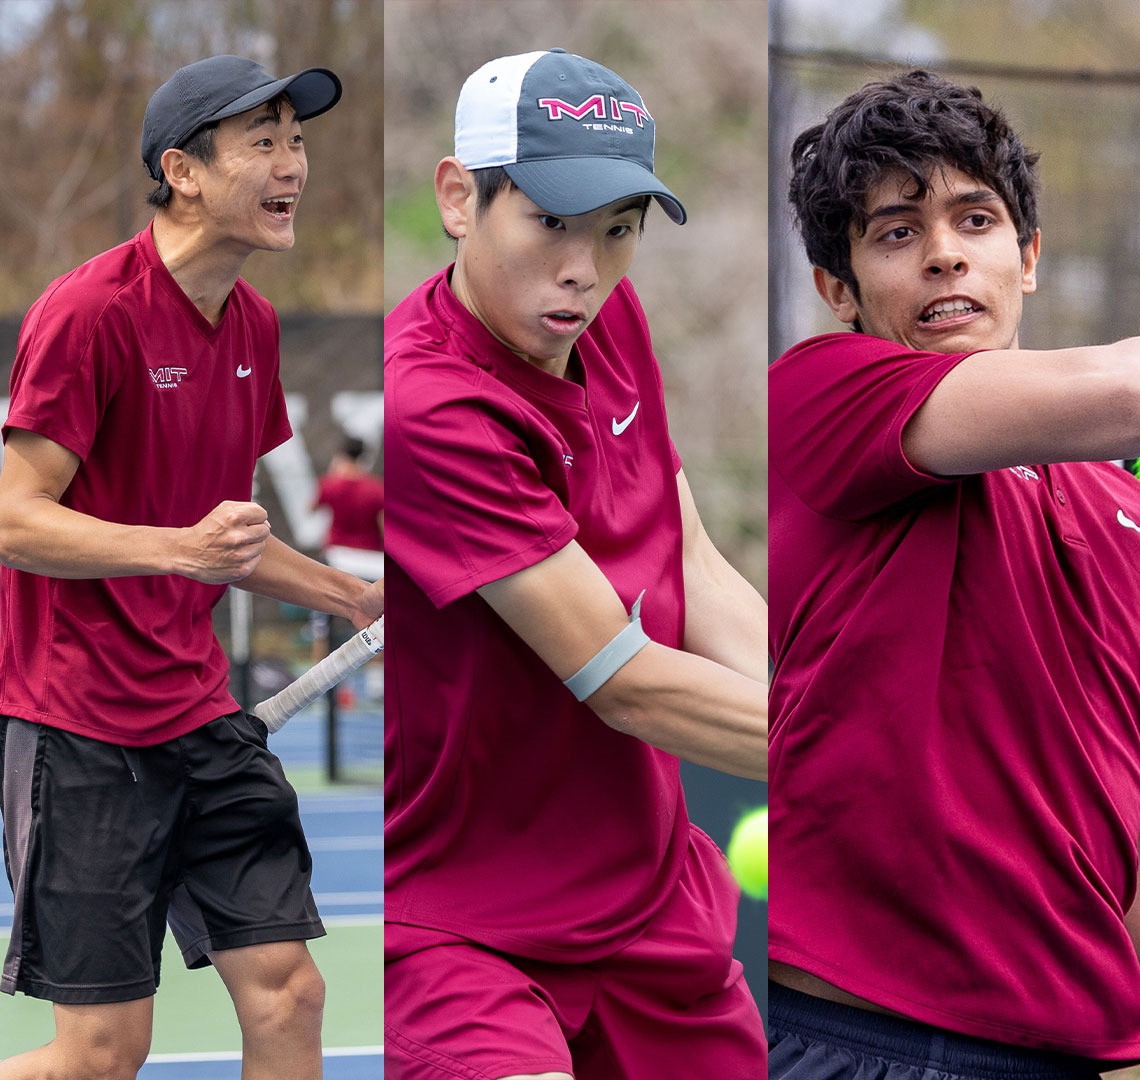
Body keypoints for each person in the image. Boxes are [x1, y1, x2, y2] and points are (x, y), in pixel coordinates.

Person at [382, 49, 767, 1079]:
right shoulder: (427, 406)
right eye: (550, 221)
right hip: (466, 931)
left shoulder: (607, 318)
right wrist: (857, 749)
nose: (585, 270)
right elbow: (623, 679)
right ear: (459, 198)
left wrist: (832, 697)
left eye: (618, 230)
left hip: (651, 912)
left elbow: (696, 562)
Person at [767, 70, 1140, 1079]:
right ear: (838, 291)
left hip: (1079, 1046)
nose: (944, 251)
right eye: (897, 232)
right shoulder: (821, 393)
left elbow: (1130, 785)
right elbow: (1120, 383)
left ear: (1025, 258)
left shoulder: (1123, 507)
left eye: (974, 219)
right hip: (861, 1041)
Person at [0, 54, 378, 1079]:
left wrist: (353, 594)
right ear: (185, 169)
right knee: (100, 1057)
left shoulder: (251, 325)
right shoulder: (87, 315)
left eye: (297, 139)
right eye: (264, 141)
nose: (294, 160)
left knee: (292, 995)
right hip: (81, 732)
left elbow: (231, 541)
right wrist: (179, 551)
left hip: (203, 723)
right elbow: (14, 519)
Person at [312, 434, 383, 580]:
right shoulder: (377, 489)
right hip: (372, 561)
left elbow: (312, 508)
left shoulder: (330, 485)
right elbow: (384, 528)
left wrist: (333, 473)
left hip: (338, 557)